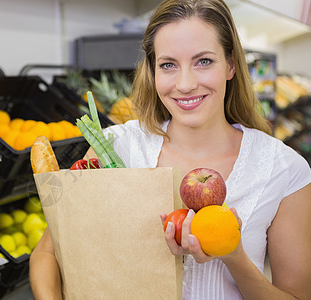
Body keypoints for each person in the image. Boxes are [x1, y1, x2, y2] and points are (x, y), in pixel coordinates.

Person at [29, 0, 311, 299]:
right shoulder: (117, 147)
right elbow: (47, 253)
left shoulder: (283, 169)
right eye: (168, 65)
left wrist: (233, 255)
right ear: (152, 71)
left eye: (203, 61)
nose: (185, 84)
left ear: (230, 64)